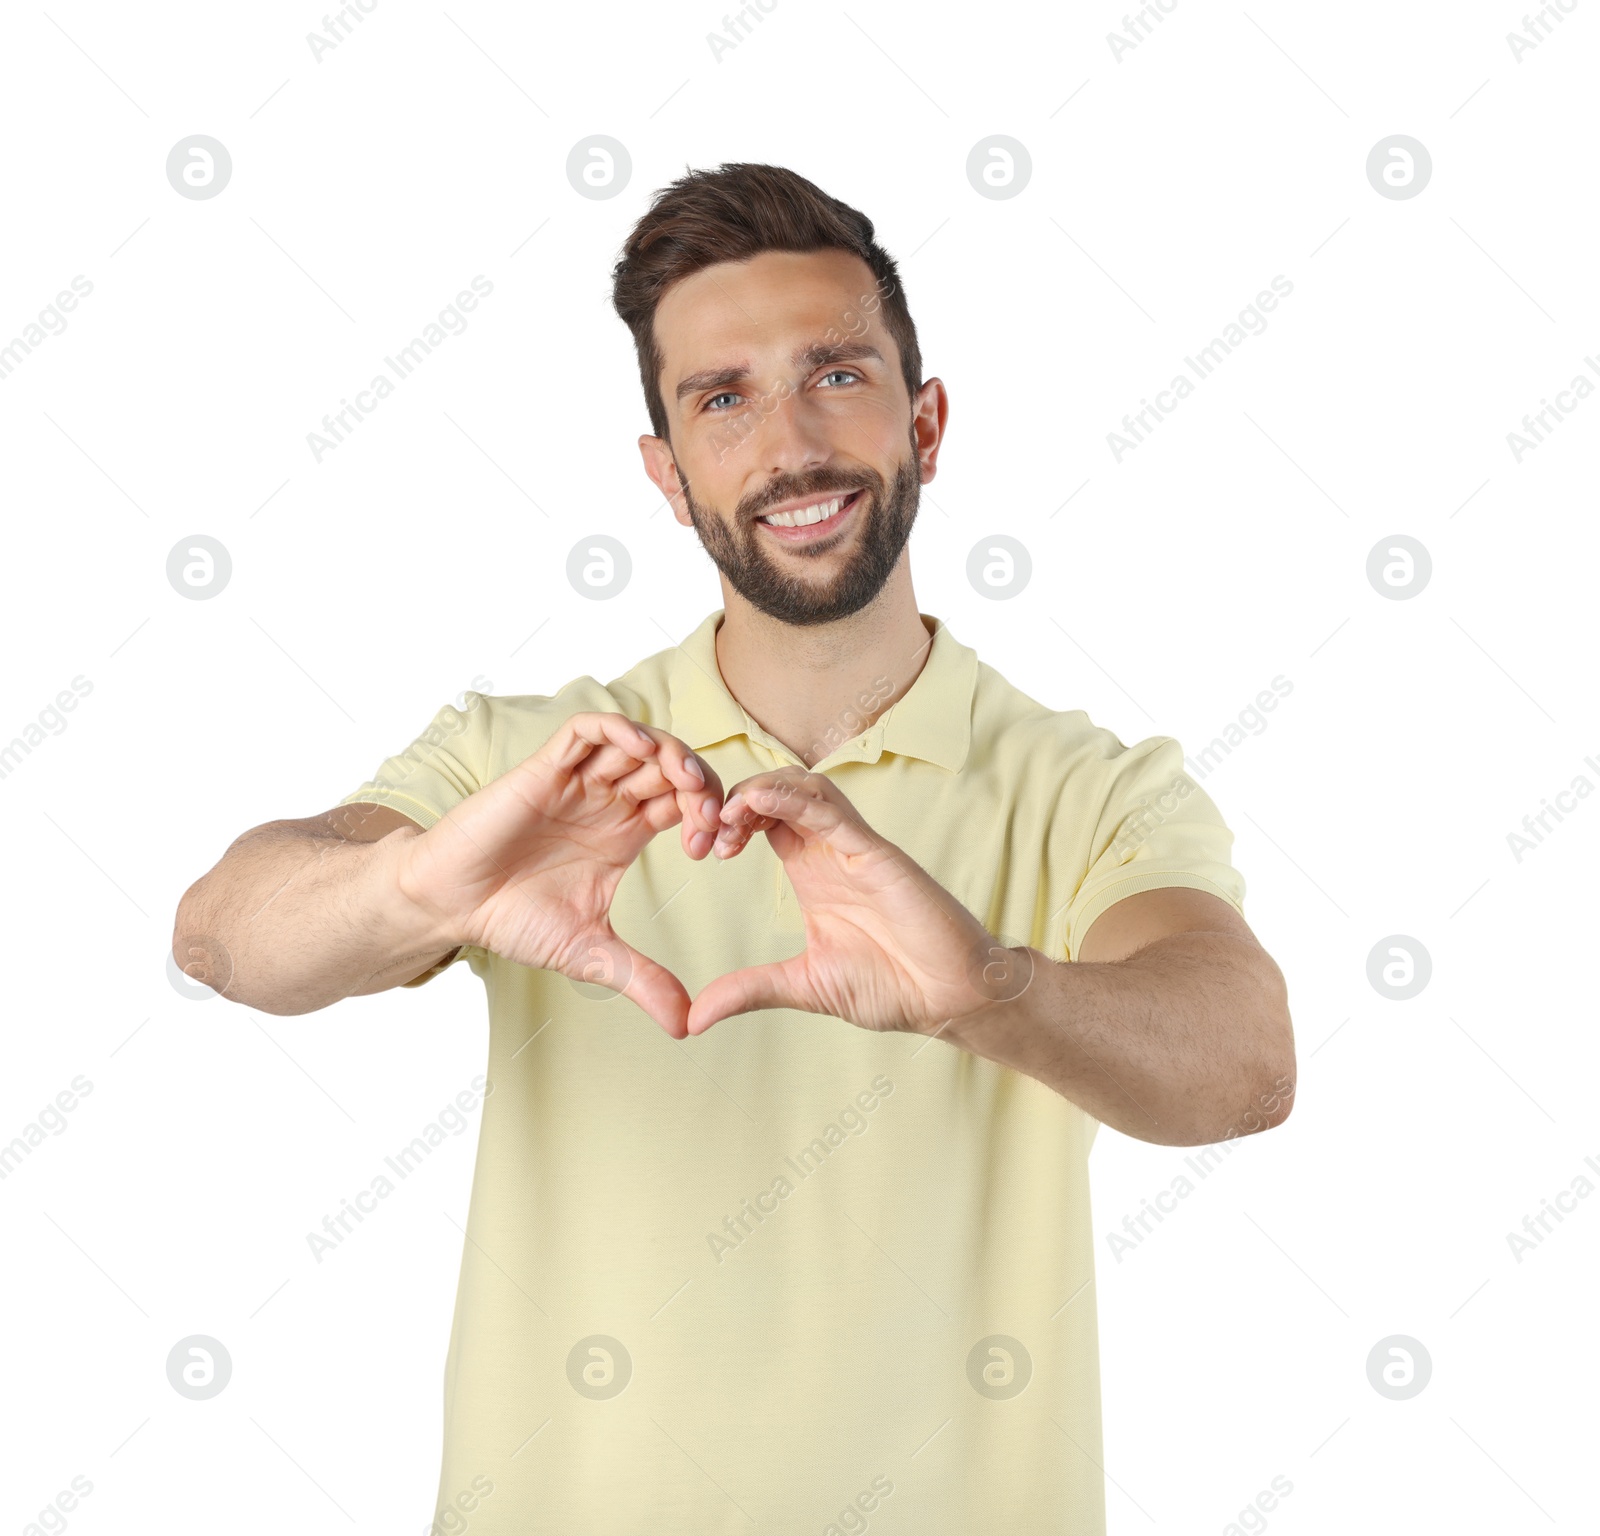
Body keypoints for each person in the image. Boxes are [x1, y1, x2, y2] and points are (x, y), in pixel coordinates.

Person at [173, 161, 1295, 1535]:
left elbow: (1244, 1068)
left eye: (838, 374)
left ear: (927, 422)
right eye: (723, 398)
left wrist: (990, 989)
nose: (792, 444)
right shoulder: (537, 768)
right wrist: (420, 884)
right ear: (666, 471)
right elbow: (223, 936)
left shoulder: (1090, 789)